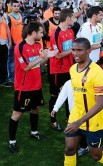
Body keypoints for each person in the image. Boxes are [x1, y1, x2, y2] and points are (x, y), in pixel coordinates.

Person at [52, 38, 103, 166]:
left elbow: (100, 103)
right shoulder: (73, 69)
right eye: (73, 50)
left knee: (96, 155)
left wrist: (80, 122)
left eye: (79, 50)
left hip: (94, 121)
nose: (75, 53)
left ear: (88, 51)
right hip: (75, 116)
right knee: (69, 148)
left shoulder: (98, 72)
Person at [8, 21, 50, 153]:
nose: (43, 34)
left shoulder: (38, 45)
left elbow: (40, 65)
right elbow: (26, 67)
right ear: (33, 33)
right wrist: (40, 57)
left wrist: (47, 58)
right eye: (41, 32)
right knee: (17, 114)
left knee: (35, 109)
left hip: (36, 85)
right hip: (23, 87)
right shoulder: (19, 47)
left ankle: (34, 132)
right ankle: (12, 141)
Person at [48, 9, 75, 131]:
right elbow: (58, 55)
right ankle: (53, 120)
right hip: (57, 70)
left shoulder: (70, 31)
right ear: (68, 18)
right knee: (55, 96)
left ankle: (69, 117)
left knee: (69, 94)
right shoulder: (55, 33)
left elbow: (70, 50)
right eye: (73, 17)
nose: (74, 19)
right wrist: (74, 49)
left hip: (69, 69)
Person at [7, 0, 24, 84]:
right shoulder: (8, 16)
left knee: (19, 60)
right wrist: (10, 42)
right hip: (13, 42)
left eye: (18, 6)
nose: (16, 7)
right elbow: (8, 30)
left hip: (20, 41)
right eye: (14, 6)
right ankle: (11, 77)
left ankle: (18, 75)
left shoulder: (20, 15)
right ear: (11, 6)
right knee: (12, 61)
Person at [0, 10, 12, 87]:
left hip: (4, 43)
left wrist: (10, 41)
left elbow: (7, 29)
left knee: (4, 62)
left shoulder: (4, 15)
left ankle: (2, 80)